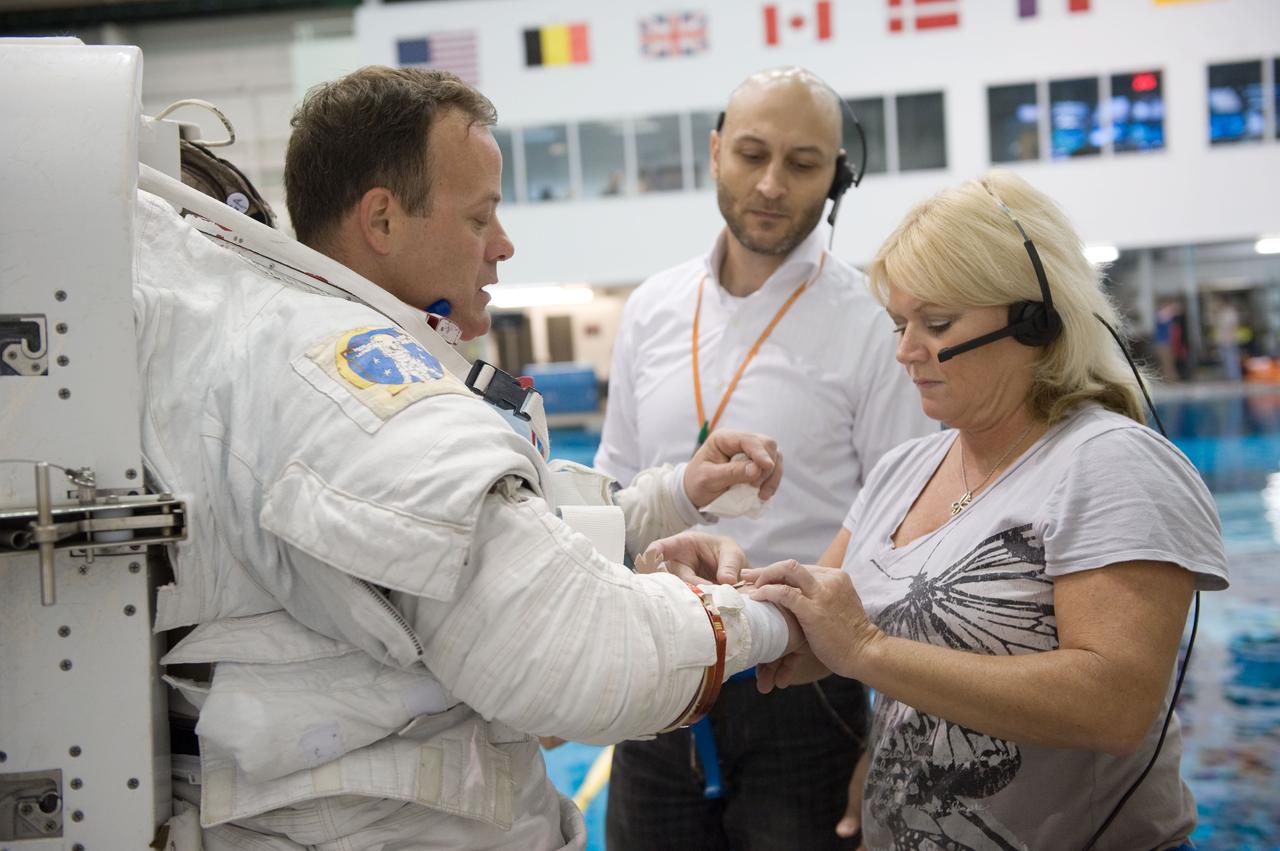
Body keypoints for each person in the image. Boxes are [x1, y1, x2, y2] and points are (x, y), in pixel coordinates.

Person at [142, 66, 805, 850]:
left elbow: (468, 543)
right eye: (479, 216)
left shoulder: (293, 354)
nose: (503, 244)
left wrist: (665, 503)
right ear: (382, 219)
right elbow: (579, 652)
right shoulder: (349, 380)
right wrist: (782, 618)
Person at [663, 170, 1227, 850]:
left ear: (1032, 318)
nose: (905, 351)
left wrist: (871, 651)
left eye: (936, 324)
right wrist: (723, 588)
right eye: (901, 324)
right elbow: (821, 633)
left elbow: (1115, 703)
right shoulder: (905, 470)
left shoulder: (1109, 463)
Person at [594, 66, 934, 850]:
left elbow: (910, 535)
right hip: (655, 677)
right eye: (751, 153)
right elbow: (605, 496)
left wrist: (890, 729)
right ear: (715, 153)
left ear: (837, 178)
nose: (773, 184)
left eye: (804, 163)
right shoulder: (652, 309)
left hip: (805, 688)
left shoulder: (871, 324)